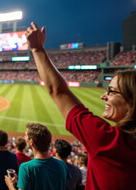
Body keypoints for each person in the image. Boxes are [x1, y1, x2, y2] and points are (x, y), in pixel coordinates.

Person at [26, 22, 136, 189]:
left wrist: (36, 48)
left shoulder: (107, 140)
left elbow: (58, 91)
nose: (103, 96)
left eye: (112, 91)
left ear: (131, 101)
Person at [5, 123, 69, 190]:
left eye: (25, 135)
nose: (24, 138)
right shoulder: (62, 164)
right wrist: (22, 182)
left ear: (31, 142)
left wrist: (10, 185)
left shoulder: (26, 168)